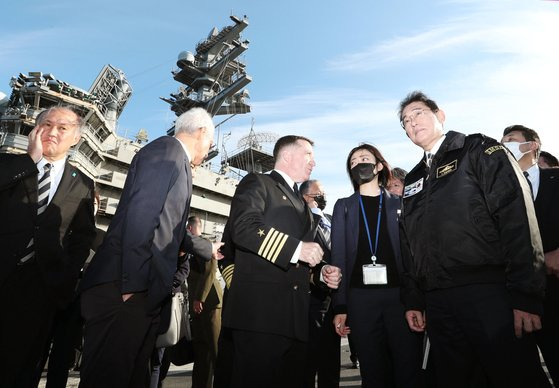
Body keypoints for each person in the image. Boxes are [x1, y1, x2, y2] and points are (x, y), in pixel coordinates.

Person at [398, 91, 549, 388]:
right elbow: (409, 243)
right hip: (438, 301)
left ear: (440, 115)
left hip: (489, 293)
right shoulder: (413, 178)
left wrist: (526, 295)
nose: (411, 123)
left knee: (515, 374)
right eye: (405, 121)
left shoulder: (478, 149)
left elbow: (516, 216)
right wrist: (414, 299)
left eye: (417, 113)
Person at [78, 107, 215, 388]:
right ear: (201, 132)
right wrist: (132, 287)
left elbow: (169, 226)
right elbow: (141, 218)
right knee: (109, 376)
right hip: (125, 290)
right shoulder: (168, 152)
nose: (209, 150)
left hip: (140, 292)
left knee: (132, 376)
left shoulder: (174, 158)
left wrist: (206, 247)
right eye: (211, 143)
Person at [221, 135, 342, 388]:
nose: (314, 162)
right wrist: (298, 249)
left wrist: (321, 273)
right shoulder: (258, 182)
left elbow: (305, 262)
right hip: (260, 316)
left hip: (296, 320)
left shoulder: (303, 204)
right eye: (308, 154)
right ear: (287, 156)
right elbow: (243, 227)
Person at [0, 105, 96, 387]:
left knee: (23, 368)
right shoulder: (10, 165)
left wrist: (65, 277)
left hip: (41, 289)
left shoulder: (83, 185)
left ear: (75, 138)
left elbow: (81, 237)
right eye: (47, 124)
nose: (53, 131)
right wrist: (30, 160)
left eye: (62, 127)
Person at [331, 144, 423, 388]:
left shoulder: (399, 204)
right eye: (353, 161)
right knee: (373, 370)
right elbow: (338, 256)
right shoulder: (344, 206)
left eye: (364, 158)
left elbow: (411, 256)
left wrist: (415, 300)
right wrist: (340, 305)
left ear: (379, 165)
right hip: (360, 300)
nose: (358, 163)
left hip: (399, 298)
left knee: (408, 367)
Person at [501, 125, 559, 386]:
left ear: (532, 145)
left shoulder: (556, 180)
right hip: (515, 304)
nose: (505, 145)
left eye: (511, 140)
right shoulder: (496, 193)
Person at [300, 179, 341, 388]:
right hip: (311, 300)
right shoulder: (299, 220)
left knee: (331, 362)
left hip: (334, 302)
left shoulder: (333, 219)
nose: (323, 195)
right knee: (307, 363)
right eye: (320, 192)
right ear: (308, 196)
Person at [187, 216, 223, 388]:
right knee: (202, 354)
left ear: (190, 229)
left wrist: (198, 298)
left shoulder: (204, 243)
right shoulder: (194, 248)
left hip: (209, 304)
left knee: (216, 352)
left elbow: (210, 270)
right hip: (199, 306)